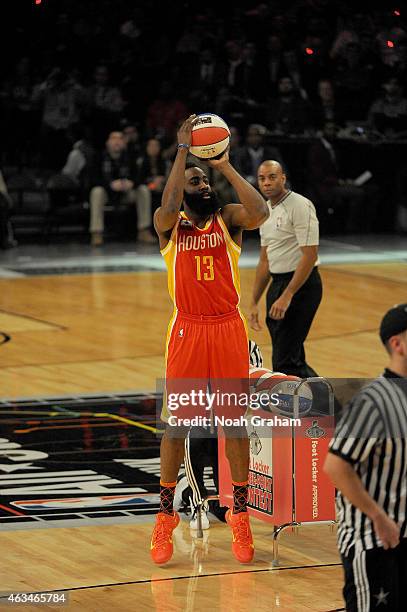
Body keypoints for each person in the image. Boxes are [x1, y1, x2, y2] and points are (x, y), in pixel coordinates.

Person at [151, 114, 268, 565]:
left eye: (205, 180)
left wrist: (221, 165)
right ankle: (165, 517)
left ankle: (239, 511)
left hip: (226, 327)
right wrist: (183, 153)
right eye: (194, 180)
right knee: (176, 426)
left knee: (233, 424)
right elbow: (164, 207)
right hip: (187, 329)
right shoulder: (170, 227)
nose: (201, 184)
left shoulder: (228, 220)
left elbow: (260, 211)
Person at [324, 303, 407, 611]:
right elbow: (336, 465)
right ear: (397, 344)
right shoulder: (373, 402)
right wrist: (377, 516)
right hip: (371, 541)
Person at [175, 340, 264, 530]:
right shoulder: (194, 346)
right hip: (201, 423)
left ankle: (186, 489)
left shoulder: (250, 348)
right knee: (195, 435)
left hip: (228, 429)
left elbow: (253, 391)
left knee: (226, 511)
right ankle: (196, 501)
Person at [249, 160, 322, 378]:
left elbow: (310, 255)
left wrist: (288, 294)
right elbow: (264, 261)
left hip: (301, 286)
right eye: (262, 178)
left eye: (272, 177)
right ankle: (323, 404)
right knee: (288, 357)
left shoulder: (300, 205)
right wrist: (254, 301)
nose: (267, 183)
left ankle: (327, 404)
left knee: (286, 361)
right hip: (277, 284)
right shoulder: (264, 211)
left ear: (283, 178)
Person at [89, 131, 155, 246]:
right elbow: (92, 179)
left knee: (143, 190)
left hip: (127, 192)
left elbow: (140, 176)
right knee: (96, 192)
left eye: (120, 139)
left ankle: (143, 230)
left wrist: (132, 183)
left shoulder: (131, 156)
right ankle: (96, 232)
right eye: (113, 138)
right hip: (107, 193)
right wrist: (110, 185)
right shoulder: (99, 157)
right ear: (107, 143)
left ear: (124, 143)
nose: (117, 141)